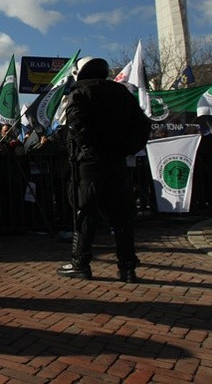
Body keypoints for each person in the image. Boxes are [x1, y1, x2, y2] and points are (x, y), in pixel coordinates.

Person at [56, 57, 151, 283]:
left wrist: (88, 149)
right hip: (116, 162)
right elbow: (143, 125)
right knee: (122, 216)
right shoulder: (122, 93)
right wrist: (126, 149)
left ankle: (80, 263)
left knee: (84, 212)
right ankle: (127, 267)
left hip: (89, 165)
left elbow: (76, 126)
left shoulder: (79, 93)